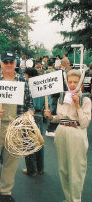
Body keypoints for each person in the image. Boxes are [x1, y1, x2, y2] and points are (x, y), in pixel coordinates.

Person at [0, 51, 34, 202]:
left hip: (15, 128)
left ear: (16, 64)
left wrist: (29, 112)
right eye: (6, 62)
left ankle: (5, 192)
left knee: (11, 162)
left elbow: (30, 104)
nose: (9, 65)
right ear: (1, 64)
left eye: (11, 62)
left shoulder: (23, 82)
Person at [44, 69, 91, 202]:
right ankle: (68, 198)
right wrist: (50, 117)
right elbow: (60, 118)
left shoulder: (85, 100)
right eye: (69, 82)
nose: (72, 85)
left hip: (76, 134)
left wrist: (77, 105)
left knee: (76, 170)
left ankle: (76, 199)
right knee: (63, 169)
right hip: (61, 132)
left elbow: (84, 123)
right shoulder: (62, 97)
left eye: (75, 82)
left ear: (80, 84)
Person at [22, 68, 50, 177]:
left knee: (28, 142)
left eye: (25, 75)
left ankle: (31, 169)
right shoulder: (41, 86)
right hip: (39, 116)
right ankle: (40, 168)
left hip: (30, 115)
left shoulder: (30, 86)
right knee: (39, 142)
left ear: (28, 76)